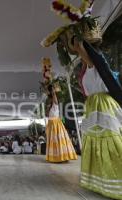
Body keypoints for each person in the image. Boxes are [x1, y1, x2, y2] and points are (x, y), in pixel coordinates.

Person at [73, 38, 122, 200]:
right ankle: (102, 181)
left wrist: (77, 40)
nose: (81, 57)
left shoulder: (95, 64)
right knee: (96, 143)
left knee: (110, 141)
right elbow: (84, 55)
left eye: (83, 54)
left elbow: (83, 52)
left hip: (102, 106)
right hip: (93, 107)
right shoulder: (87, 67)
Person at [45, 85, 77, 162]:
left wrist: (52, 90)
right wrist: (48, 106)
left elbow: (53, 95)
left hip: (56, 123)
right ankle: (56, 157)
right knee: (54, 141)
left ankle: (63, 156)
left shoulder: (55, 102)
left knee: (58, 140)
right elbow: (46, 115)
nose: (48, 100)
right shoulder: (49, 104)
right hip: (51, 123)